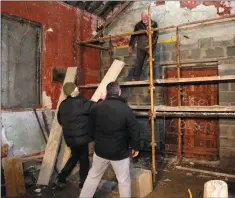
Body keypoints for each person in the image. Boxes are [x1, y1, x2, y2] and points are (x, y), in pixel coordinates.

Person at [79, 82, 140, 198]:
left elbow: (90, 127)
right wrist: (136, 146)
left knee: (93, 176)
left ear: (107, 92)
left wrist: (94, 140)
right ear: (119, 92)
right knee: (123, 181)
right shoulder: (126, 109)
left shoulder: (96, 107)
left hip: (100, 150)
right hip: (119, 152)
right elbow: (134, 130)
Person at [55, 82, 104, 189]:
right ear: (73, 91)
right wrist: (101, 99)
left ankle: (61, 177)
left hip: (70, 138)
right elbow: (94, 107)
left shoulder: (63, 104)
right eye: (76, 87)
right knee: (83, 159)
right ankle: (83, 182)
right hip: (81, 138)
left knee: (74, 156)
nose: (78, 88)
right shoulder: (81, 102)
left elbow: (60, 120)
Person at [128, 11, 159, 81]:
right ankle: (135, 78)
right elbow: (133, 35)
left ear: (149, 17)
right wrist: (130, 46)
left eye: (145, 17)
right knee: (138, 62)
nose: (143, 19)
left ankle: (152, 78)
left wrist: (151, 45)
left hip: (151, 47)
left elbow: (156, 36)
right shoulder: (138, 25)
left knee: (151, 62)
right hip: (140, 47)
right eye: (142, 18)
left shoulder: (154, 24)